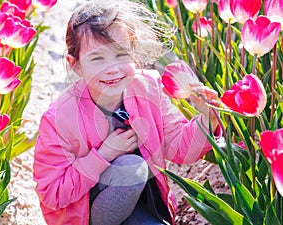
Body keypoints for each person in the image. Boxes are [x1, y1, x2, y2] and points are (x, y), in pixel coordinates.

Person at [33, 0, 221, 225]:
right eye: (97, 58)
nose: (112, 68)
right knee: (130, 169)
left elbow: (180, 149)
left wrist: (206, 121)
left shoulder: (149, 89)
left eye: (121, 54)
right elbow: (52, 194)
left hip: (145, 202)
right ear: (75, 65)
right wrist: (104, 155)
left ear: (135, 52)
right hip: (87, 215)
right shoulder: (59, 119)